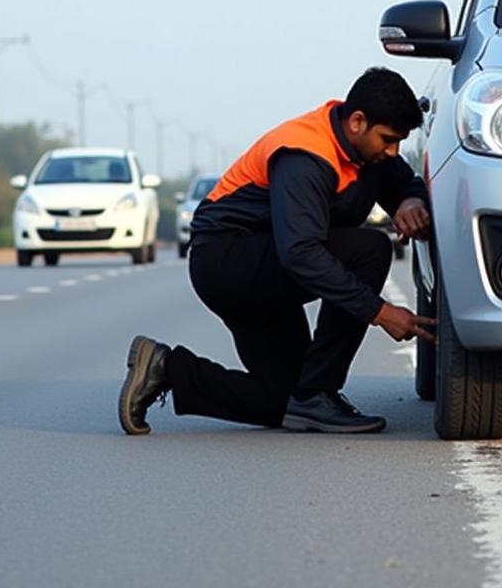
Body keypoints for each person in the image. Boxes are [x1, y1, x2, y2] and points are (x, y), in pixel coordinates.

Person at [117, 67, 437, 435]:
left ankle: (164, 367)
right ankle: (318, 393)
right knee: (371, 249)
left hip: (263, 263)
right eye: (388, 140)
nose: (393, 151)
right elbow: (301, 254)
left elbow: (402, 179)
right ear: (357, 121)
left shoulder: (367, 151)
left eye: (399, 141)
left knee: (286, 399)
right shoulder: (305, 156)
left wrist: (410, 200)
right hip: (228, 262)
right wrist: (380, 312)